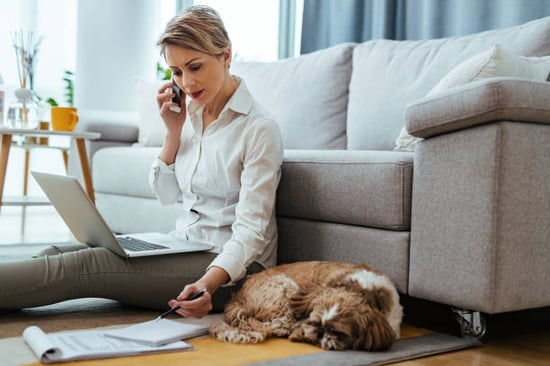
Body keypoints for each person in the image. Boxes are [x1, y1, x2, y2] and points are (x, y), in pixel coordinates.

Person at [0, 5, 283, 318]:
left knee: (87, 265)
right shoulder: (190, 115)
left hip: (232, 270)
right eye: (177, 72)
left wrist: (209, 282)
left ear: (226, 56)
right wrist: (172, 134)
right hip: (185, 246)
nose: (187, 83)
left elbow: (251, 233)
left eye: (195, 67)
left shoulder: (259, 128)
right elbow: (166, 195)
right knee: (60, 253)